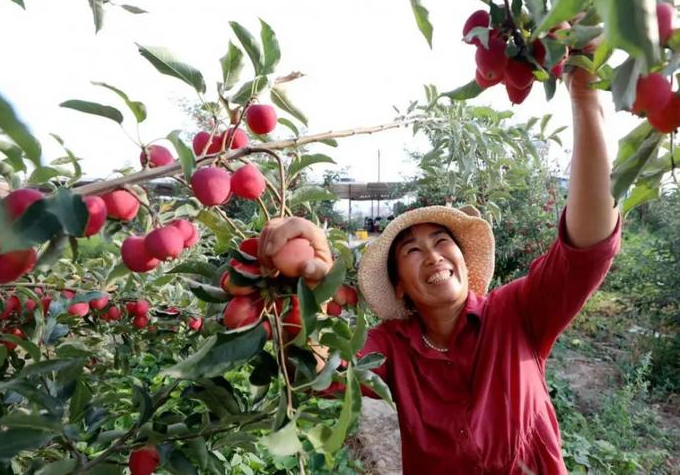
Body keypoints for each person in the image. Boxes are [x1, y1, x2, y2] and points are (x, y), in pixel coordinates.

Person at [258, 68, 621, 474]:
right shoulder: (392, 347)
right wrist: (310, 289)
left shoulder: (517, 314)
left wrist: (585, 96)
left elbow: (586, 250)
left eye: (442, 241)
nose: (433, 256)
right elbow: (325, 374)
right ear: (399, 288)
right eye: (412, 250)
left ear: (465, 260)